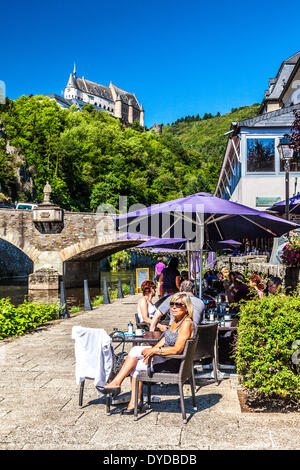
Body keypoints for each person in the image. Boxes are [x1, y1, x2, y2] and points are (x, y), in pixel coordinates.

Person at [99, 292, 196, 414]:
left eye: (178, 304)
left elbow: (177, 349)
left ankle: (130, 398)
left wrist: (155, 350)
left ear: (186, 307)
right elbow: (165, 339)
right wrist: (152, 350)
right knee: (135, 353)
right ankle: (123, 390)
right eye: (172, 304)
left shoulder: (186, 323)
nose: (174, 307)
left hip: (173, 363)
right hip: (167, 358)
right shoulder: (176, 321)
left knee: (136, 366)